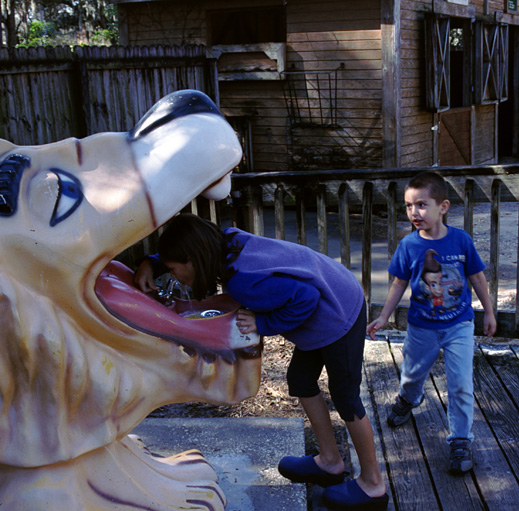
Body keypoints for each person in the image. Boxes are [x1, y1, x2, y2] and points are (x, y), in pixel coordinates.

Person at [134, 213, 389, 511]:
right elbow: (193, 246)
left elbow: (305, 298)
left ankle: (373, 485)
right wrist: (151, 262)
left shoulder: (243, 281)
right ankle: (330, 462)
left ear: (192, 258)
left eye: (174, 269)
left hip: (340, 311)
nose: (174, 276)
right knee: (301, 381)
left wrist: (262, 322)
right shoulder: (227, 242)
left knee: (346, 397)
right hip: (330, 297)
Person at [366, 170, 496, 475]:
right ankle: (408, 399)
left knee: (461, 384)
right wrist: (384, 316)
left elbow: (476, 276)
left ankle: (460, 440)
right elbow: (399, 283)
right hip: (421, 327)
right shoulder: (409, 246)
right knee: (411, 376)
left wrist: (488, 312)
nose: (414, 212)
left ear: (443, 206)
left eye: (422, 205)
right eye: (409, 206)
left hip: (459, 326)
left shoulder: (461, 241)